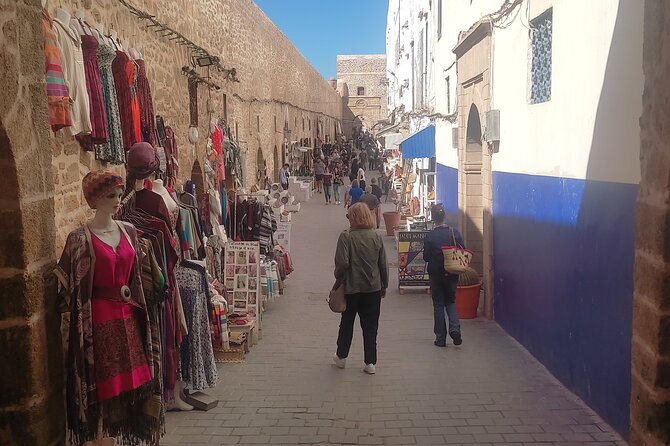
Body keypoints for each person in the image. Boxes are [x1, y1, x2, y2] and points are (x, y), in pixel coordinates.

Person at [333, 203, 389, 374]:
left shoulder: (346, 237)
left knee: (347, 323)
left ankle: (341, 357)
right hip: (372, 288)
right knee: (371, 325)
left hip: (352, 287)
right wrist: (384, 285)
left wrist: (338, 279)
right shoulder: (376, 237)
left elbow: (342, 264)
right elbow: (383, 264)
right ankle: (370, 362)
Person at [422, 204, 466, 347]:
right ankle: (455, 329)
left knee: (438, 304)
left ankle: (440, 338)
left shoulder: (430, 236)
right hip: (451, 273)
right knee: (451, 301)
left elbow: (426, 257)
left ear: (433, 218)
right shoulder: (454, 233)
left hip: (435, 275)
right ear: (444, 216)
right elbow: (462, 250)